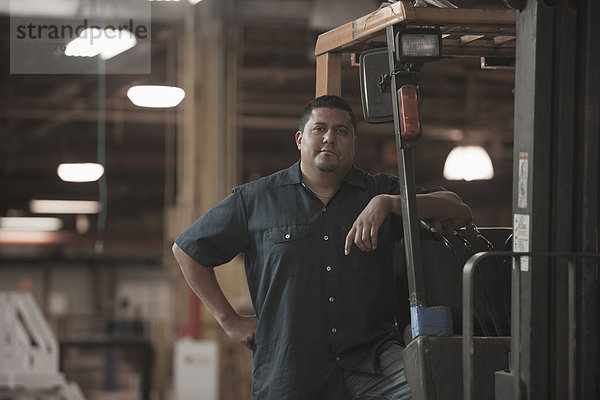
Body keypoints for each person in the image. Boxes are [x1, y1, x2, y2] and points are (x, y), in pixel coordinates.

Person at [172, 95, 472, 399]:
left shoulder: (380, 191)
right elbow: (187, 250)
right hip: (292, 371)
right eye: (320, 129)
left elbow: (457, 208)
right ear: (301, 139)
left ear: (353, 143)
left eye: (341, 131)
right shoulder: (256, 201)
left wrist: (389, 204)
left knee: (438, 379)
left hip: (373, 362)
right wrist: (229, 320)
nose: (330, 137)